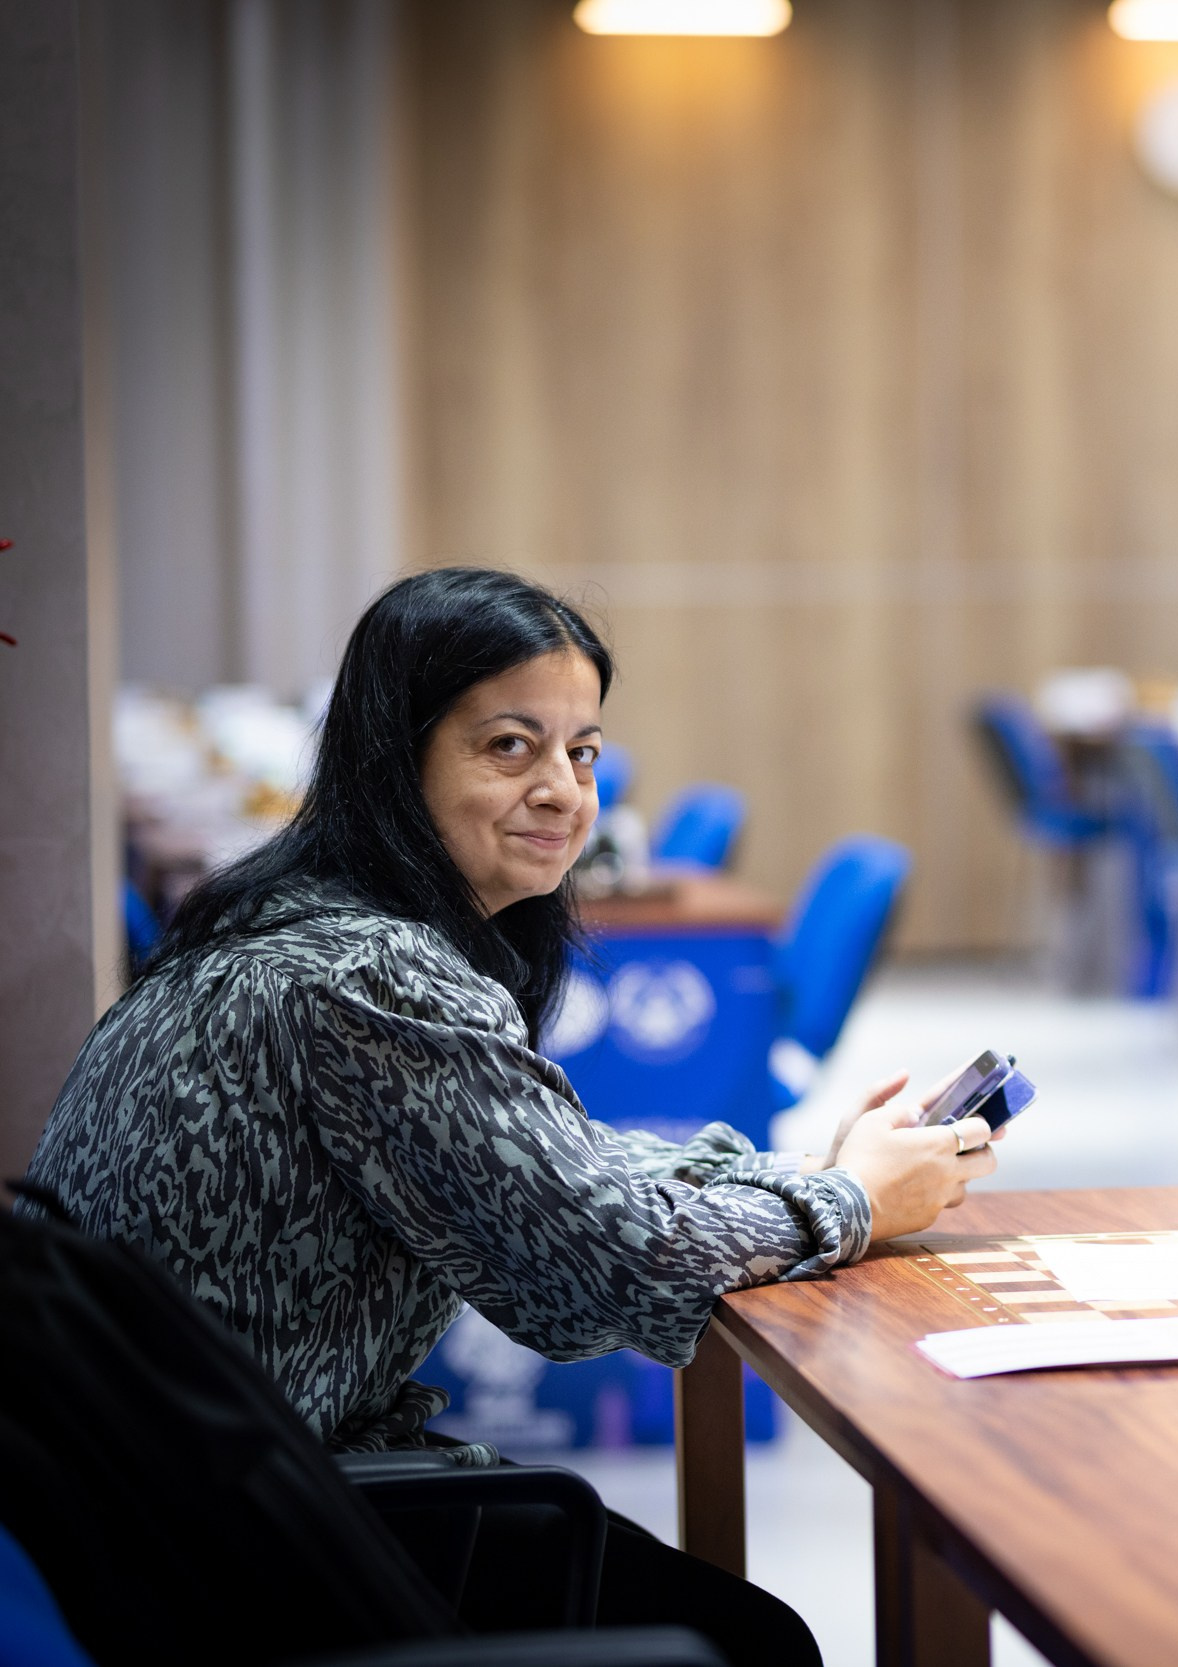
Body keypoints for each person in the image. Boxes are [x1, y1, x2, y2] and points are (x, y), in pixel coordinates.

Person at [25, 568, 995, 1666]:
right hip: (239, 1553)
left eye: (580, 752)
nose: (562, 789)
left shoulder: (300, 925)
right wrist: (852, 1200)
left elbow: (552, 1160)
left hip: (169, 1514)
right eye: (509, 746)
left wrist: (795, 1169)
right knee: (751, 1643)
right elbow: (612, 1273)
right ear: (396, 758)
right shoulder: (369, 972)